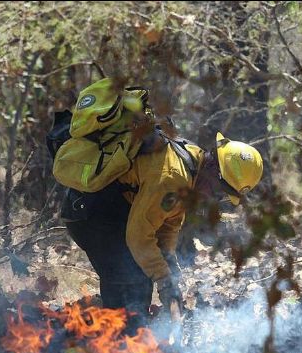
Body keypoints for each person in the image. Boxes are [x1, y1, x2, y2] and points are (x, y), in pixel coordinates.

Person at [61, 129, 263, 330]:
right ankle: (115, 342)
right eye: (219, 192)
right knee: (131, 286)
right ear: (213, 168)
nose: (215, 199)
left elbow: (167, 225)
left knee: (140, 284)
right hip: (90, 213)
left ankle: (128, 338)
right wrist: (164, 279)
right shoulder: (173, 178)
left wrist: (170, 268)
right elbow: (138, 237)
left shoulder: (192, 167)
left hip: (113, 213)